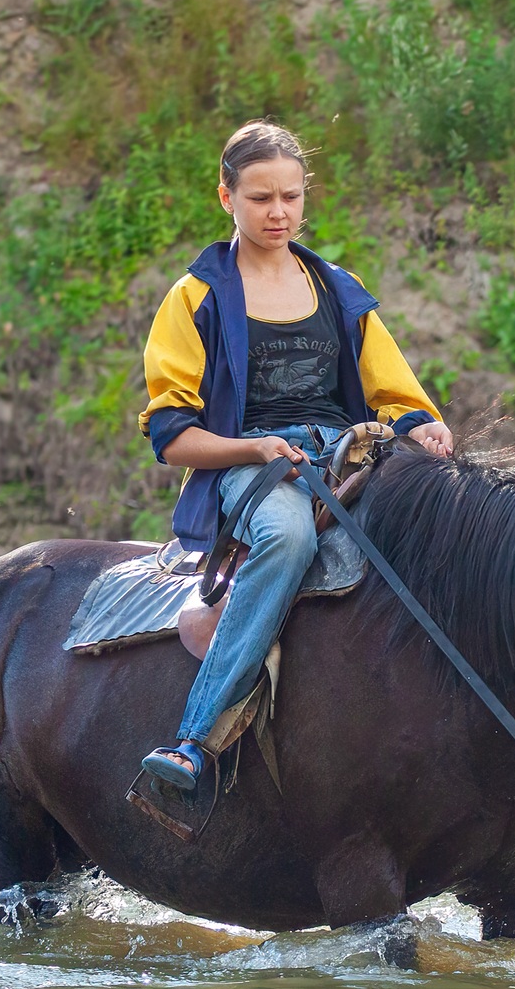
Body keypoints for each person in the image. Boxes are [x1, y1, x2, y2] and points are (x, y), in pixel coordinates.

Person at [136, 120, 453, 791]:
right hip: (250, 467)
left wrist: (423, 427)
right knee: (285, 536)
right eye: (260, 199)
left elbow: (394, 391)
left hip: (345, 454)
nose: (279, 213)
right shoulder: (194, 298)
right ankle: (198, 737)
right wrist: (252, 444)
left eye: (290, 197)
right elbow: (172, 437)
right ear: (226, 197)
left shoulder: (338, 287)